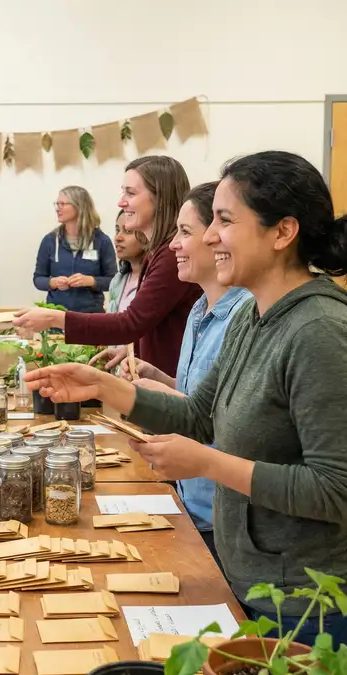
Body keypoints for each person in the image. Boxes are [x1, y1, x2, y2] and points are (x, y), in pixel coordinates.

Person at [23, 150, 347, 675]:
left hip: (322, 600)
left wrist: (209, 464)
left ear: (282, 231)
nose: (211, 237)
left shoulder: (320, 331)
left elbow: (339, 489)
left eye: (225, 220)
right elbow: (200, 413)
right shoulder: (252, 313)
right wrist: (106, 387)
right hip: (265, 580)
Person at [120, 181, 251, 570]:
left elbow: (225, 424)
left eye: (185, 233)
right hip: (191, 502)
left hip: (220, 517)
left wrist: (134, 395)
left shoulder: (244, 318)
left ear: (217, 238)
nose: (173, 245)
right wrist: (159, 378)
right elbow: (204, 399)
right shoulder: (198, 311)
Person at [13, 156, 201, 377]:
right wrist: (133, 349)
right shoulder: (158, 253)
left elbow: (131, 322)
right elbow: (151, 323)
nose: (121, 202)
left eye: (130, 193)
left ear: (160, 197)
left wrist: (54, 318)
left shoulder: (171, 255)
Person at [32, 186, 116, 313]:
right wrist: (53, 282)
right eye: (57, 204)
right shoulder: (50, 241)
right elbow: (38, 279)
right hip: (56, 316)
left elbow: (113, 281)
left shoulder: (101, 241)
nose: (57, 208)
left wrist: (91, 281)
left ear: (79, 206)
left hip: (90, 318)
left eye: (63, 204)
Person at [106, 210, 148, 315]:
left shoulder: (153, 280)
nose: (118, 238)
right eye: (117, 230)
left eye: (128, 231)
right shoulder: (117, 280)